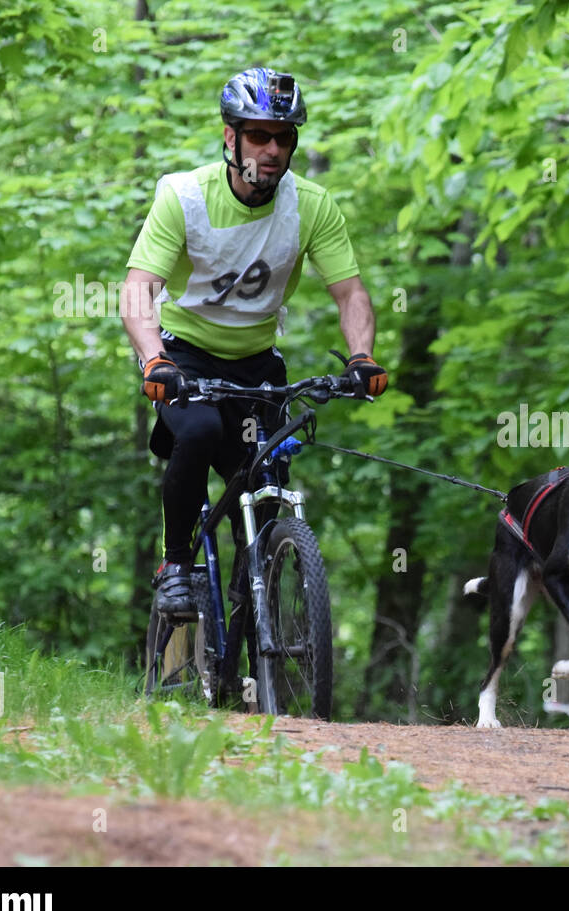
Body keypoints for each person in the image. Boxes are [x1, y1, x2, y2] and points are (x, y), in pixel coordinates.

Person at [120, 67, 387, 616]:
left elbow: (351, 294)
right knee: (197, 432)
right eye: (259, 135)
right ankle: (176, 566)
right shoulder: (184, 196)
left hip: (258, 367)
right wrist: (154, 360)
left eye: (283, 137)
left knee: (264, 496)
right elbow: (138, 289)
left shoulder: (311, 205)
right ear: (230, 137)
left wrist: (361, 356)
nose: (272, 149)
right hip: (185, 359)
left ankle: (256, 653)